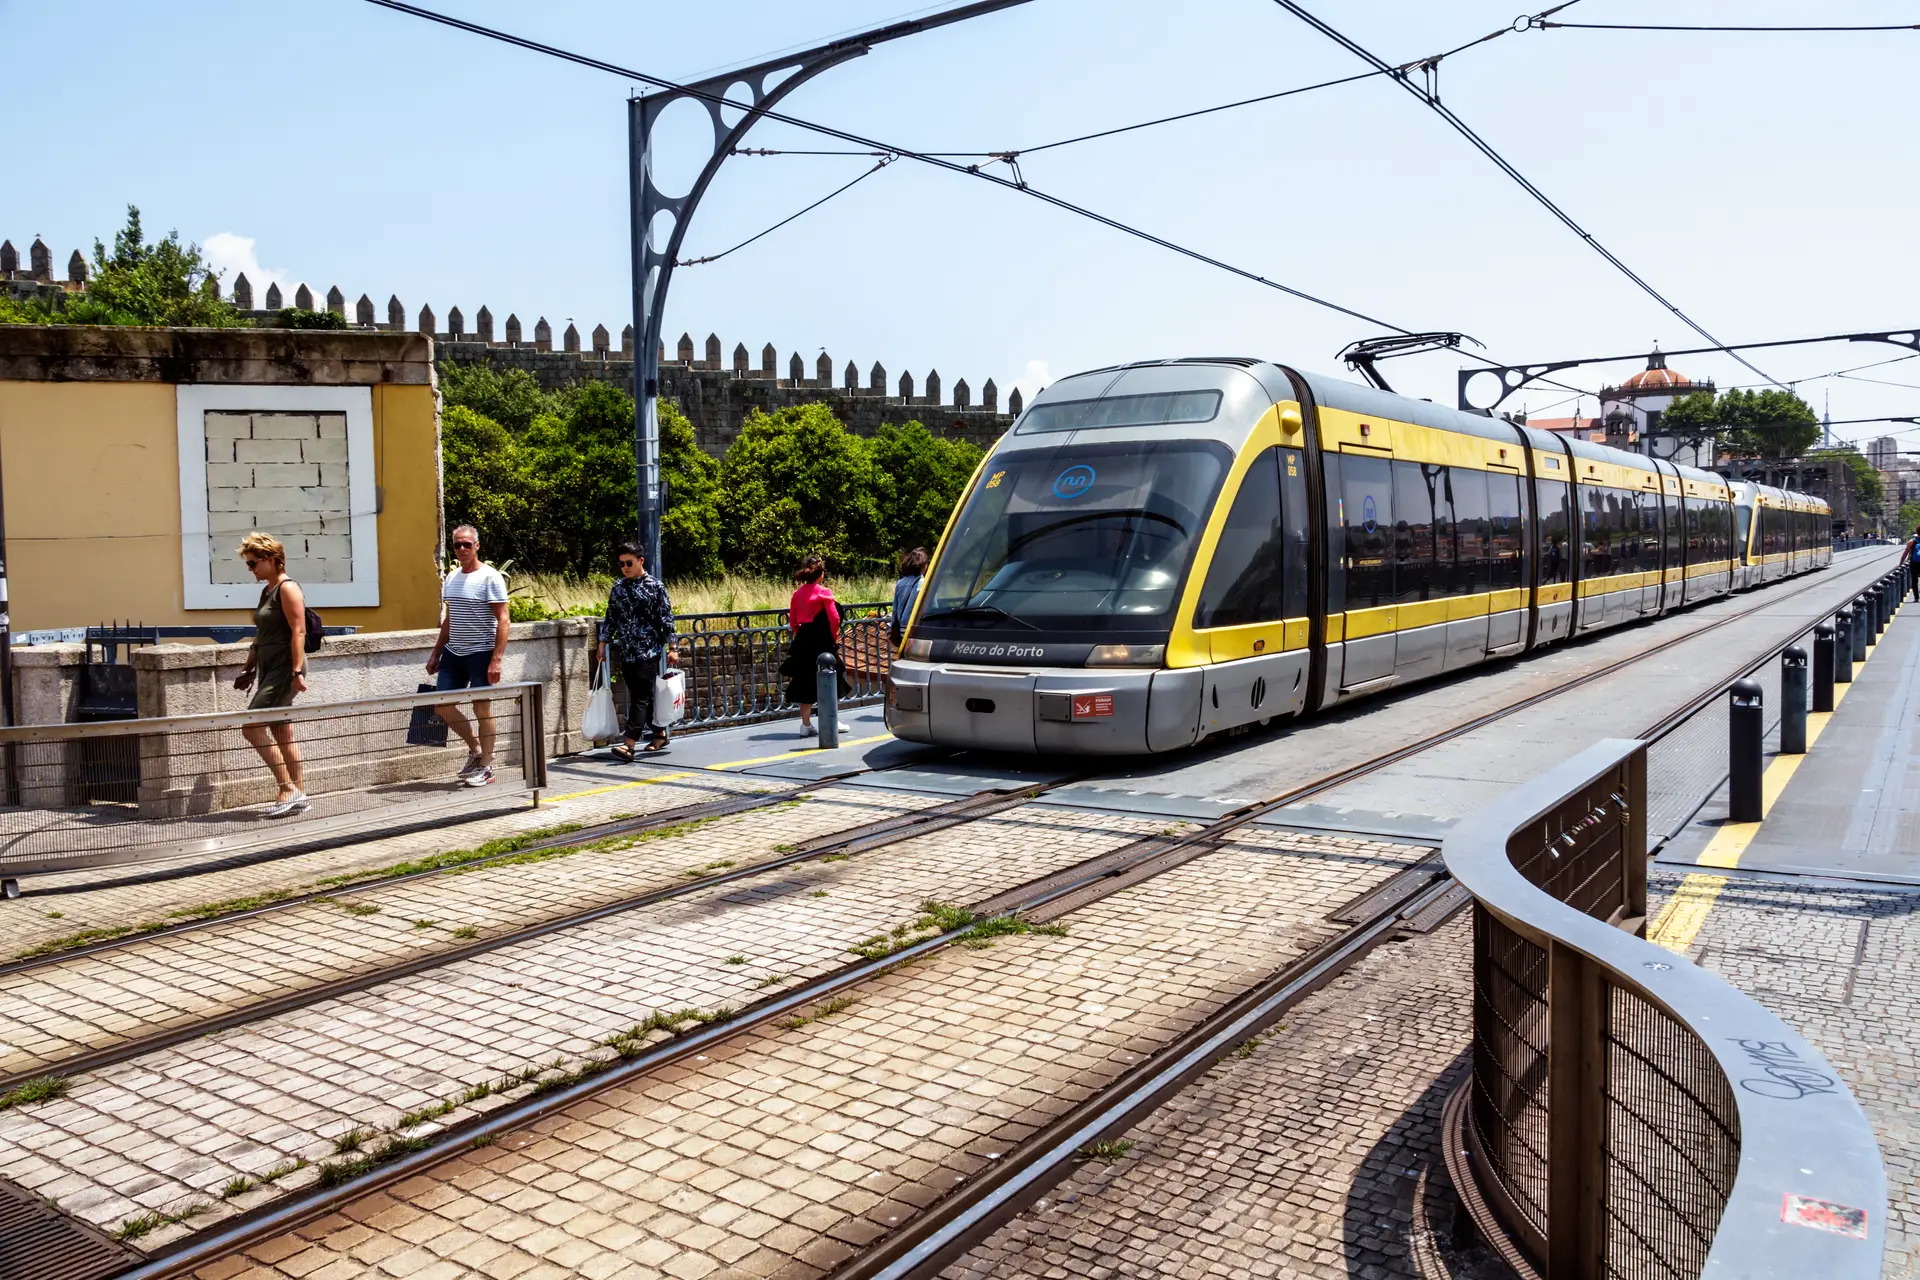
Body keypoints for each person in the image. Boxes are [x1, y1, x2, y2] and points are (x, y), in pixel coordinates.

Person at [232, 532, 310, 817]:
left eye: (253, 563)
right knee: (282, 731)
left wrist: (297, 671)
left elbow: (298, 630)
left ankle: (288, 788)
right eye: (249, 564)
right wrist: (249, 667)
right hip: (268, 666)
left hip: (284, 667)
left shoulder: (287, 588)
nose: (250, 569)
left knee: (251, 726)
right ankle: (299, 794)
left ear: (272, 560)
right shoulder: (267, 590)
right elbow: (261, 634)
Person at [427, 524, 511, 786]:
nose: (462, 549)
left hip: (481, 652)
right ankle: (475, 750)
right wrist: (436, 653)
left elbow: (504, 619)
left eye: (467, 544)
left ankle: (487, 766)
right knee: (442, 705)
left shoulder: (490, 577)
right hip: (454, 652)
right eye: (457, 545)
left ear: (477, 546)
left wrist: (496, 659)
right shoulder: (452, 577)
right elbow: (450, 619)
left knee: (481, 708)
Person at [596, 542, 676, 760]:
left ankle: (628, 744)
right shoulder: (618, 587)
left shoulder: (655, 587)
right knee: (643, 695)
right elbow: (611, 617)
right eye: (621, 564)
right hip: (627, 650)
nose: (625, 567)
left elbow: (666, 618)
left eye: (629, 563)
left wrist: (673, 646)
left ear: (641, 561)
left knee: (640, 697)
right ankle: (659, 734)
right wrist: (603, 642)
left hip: (648, 651)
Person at [786, 553, 853, 736]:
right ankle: (832, 720)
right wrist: (832, 635)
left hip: (804, 640)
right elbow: (834, 618)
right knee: (833, 675)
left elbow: (793, 622)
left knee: (804, 681)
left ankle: (805, 725)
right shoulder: (824, 592)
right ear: (821, 573)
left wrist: (803, 635)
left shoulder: (797, 594)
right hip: (822, 640)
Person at [890, 547, 928, 649]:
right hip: (916, 629)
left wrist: (892, 628)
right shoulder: (923, 582)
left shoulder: (900, 582)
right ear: (922, 565)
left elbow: (895, 610)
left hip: (901, 629)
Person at [1905, 524, 1920, 601]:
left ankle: (1916, 597)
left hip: (1914, 563)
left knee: (1914, 580)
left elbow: (1906, 553)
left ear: (1917, 532)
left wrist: (1901, 563)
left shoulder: (1912, 541)